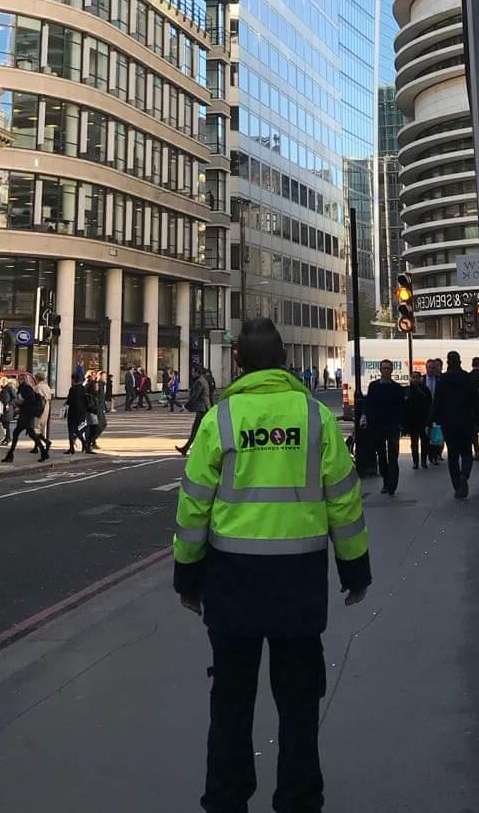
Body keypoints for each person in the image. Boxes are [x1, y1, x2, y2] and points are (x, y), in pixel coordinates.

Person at [173, 319, 370, 813]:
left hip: (232, 583)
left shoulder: (221, 418)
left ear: (237, 361)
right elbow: (344, 501)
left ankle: (225, 800)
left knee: (232, 706)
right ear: (284, 358)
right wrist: (355, 571)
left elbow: (193, 506)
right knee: (299, 707)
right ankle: (300, 801)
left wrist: (188, 577)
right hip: (298, 587)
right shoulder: (314, 416)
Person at [433, 350, 477, 499]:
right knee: (466, 452)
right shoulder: (468, 378)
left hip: (448, 422)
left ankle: (457, 485)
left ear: (447, 363)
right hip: (466, 420)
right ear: (460, 362)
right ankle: (465, 474)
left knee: (452, 455)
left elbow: (437, 403)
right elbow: (474, 400)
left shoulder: (442, 381)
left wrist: (434, 420)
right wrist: (477, 420)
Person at [361, 359, 407, 496]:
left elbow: (402, 408)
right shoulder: (373, 386)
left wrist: (401, 424)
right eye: (384, 368)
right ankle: (386, 481)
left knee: (393, 455)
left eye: (388, 368)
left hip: (392, 426)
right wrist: (364, 416)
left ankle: (392, 483)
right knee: (381, 456)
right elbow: (368, 403)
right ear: (380, 370)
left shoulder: (397, 388)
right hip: (377, 426)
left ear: (392, 370)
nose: (386, 370)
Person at [2, 371, 49, 463]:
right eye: (18, 379)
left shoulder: (26, 388)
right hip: (25, 414)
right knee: (26, 434)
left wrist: (22, 404)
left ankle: (10, 455)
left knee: (22, 434)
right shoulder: (22, 388)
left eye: (20, 379)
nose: (18, 380)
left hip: (27, 414)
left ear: (24, 380)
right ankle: (44, 452)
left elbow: (30, 400)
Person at [178, 362, 213, 456]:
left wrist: (185, 406)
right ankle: (185, 448)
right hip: (204, 408)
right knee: (197, 429)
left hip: (203, 408)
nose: (191, 373)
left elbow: (195, 396)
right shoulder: (202, 380)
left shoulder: (199, 382)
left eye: (193, 372)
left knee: (200, 429)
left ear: (197, 372)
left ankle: (188, 448)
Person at [403, 371, 433, 470]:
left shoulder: (425, 390)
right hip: (412, 421)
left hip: (424, 420)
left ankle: (423, 461)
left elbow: (429, 405)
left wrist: (429, 420)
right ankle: (415, 462)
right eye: (413, 377)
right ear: (410, 378)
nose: (415, 379)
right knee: (414, 442)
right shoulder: (407, 390)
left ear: (421, 379)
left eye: (417, 377)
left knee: (425, 441)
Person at [66, 367, 91, 453]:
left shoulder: (72, 389)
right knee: (77, 429)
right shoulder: (83, 389)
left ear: (73, 380)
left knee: (71, 430)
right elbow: (86, 401)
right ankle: (84, 444)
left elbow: (69, 401)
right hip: (81, 412)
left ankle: (71, 448)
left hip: (73, 412)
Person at [0, 376, 17, 447]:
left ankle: (8, 439)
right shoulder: (3, 388)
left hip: (8, 409)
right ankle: (6, 438)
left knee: (6, 424)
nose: (0, 383)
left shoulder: (9, 388)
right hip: (3, 408)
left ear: (4, 382)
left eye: (1, 382)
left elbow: (14, 398)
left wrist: (9, 404)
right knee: (4, 424)